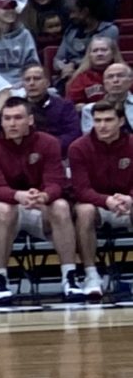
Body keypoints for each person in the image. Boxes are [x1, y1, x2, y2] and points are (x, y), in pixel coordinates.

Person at [0, 96, 80, 303]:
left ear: (30, 120)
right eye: (7, 118)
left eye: (18, 118)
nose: (12, 123)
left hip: (39, 204)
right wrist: (17, 196)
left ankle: (70, 276)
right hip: (7, 205)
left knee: (61, 206)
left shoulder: (49, 143)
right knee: (5, 209)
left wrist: (44, 196)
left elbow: (56, 182)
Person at [68, 99, 130, 298]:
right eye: (97, 120)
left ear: (121, 121)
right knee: (83, 210)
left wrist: (129, 198)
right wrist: (106, 201)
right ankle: (91, 274)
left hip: (127, 202)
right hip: (96, 204)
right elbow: (81, 190)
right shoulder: (78, 147)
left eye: (108, 120)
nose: (102, 125)